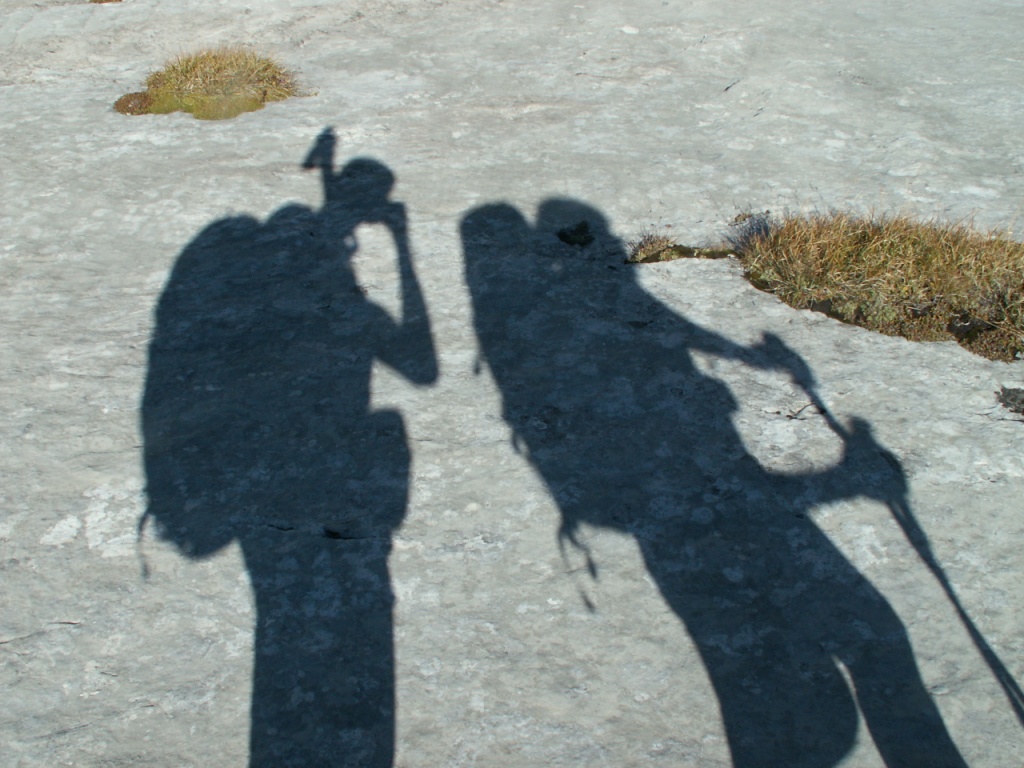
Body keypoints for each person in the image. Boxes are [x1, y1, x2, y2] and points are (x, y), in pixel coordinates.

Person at [462, 199, 967, 767]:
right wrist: (848, 480)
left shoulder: (512, 325)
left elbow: (654, 313)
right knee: (872, 647)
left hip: (682, 510)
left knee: (837, 662)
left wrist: (746, 356)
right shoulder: (535, 353)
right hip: (681, 522)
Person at [141, 129, 437, 767]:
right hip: (328, 491)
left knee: (283, 630)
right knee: (342, 633)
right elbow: (423, 367)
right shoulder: (347, 304)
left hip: (260, 488)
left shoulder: (256, 288)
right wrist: (402, 246)